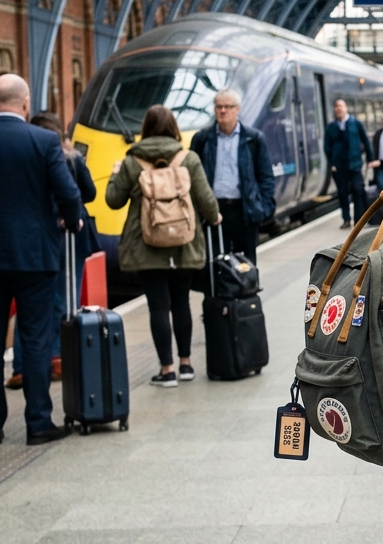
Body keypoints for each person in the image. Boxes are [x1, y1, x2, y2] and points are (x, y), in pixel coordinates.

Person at [0, 74, 84, 446]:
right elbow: (69, 194)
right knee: (36, 338)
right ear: (25, 103)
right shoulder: (43, 141)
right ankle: (38, 422)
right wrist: (71, 222)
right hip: (35, 258)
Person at [106, 105, 221, 387]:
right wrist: (215, 216)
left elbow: (113, 200)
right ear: (173, 127)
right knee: (181, 302)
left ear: (146, 128)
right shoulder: (188, 158)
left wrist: (115, 174)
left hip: (147, 245)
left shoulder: (133, 160)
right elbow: (206, 199)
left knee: (158, 306)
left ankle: (166, 370)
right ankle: (186, 365)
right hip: (183, 242)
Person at [5, 112, 97, 390]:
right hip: (69, 236)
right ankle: (57, 358)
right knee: (65, 299)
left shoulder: (21, 160)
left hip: (34, 239)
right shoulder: (71, 159)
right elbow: (88, 194)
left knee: (29, 304)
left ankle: (21, 367)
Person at [188, 89, 275, 265]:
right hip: (213, 210)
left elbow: (266, 176)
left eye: (228, 107)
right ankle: (218, 293)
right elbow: (191, 177)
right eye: (219, 106)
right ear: (214, 109)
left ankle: (247, 293)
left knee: (246, 264)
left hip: (244, 210)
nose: (223, 111)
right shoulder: (202, 139)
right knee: (215, 262)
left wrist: (263, 208)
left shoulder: (253, 138)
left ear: (237, 109)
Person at [324, 99, 372, 229]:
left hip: (355, 164)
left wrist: (370, 159)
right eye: (336, 106)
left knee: (358, 190)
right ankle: (346, 219)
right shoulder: (331, 127)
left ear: (346, 108)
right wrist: (332, 162)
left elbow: (366, 141)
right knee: (342, 193)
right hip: (339, 167)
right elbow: (327, 147)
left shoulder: (356, 123)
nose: (338, 109)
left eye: (341, 106)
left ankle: (358, 220)